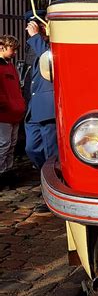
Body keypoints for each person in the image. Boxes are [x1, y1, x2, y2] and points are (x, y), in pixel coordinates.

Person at [24, 14, 58, 170]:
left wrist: (36, 37)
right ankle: (45, 172)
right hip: (34, 109)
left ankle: (51, 175)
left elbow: (51, 63)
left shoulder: (52, 46)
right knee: (32, 148)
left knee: (51, 151)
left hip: (47, 109)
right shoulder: (36, 47)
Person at [0, 35, 26, 188]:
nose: (15, 53)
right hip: (4, 112)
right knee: (4, 144)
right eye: (13, 49)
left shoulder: (10, 66)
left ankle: (7, 171)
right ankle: (2, 171)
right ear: (2, 47)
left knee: (11, 145)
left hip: (14, 111)